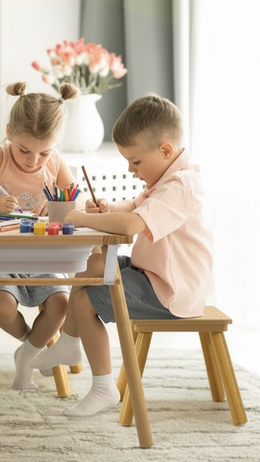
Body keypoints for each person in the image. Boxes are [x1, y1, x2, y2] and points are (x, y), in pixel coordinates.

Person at [30, 93, 213, 416]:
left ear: (165, 150)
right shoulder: (168, 177)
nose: (130, 169)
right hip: (154, 275)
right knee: (92, 263)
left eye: (136, 161)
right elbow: (131, 208)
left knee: (87, 300)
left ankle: (103, 388)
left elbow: (131, 225)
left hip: (170, 292)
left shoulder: (180, 186)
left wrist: (83, 217)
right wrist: (107, 208)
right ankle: (71, 343)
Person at [0, 82, 85, 391]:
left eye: (44, 152)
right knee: (2, 307)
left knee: (61, 305)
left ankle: (27, 355)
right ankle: (33, 346)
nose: (33, 160)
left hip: (41, 256)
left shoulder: (54, 162)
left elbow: (74, 197)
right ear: (10, 131)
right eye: (25, 150)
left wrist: (56, 205)